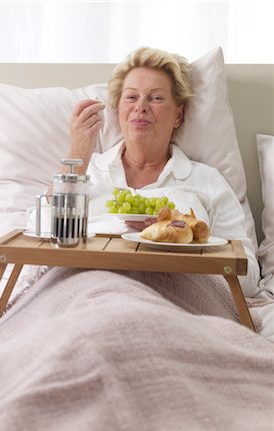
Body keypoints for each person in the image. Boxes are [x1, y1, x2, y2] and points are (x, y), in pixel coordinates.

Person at [55, 46, 260, 297]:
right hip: (87, 295)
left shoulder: (206, 180)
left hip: (174, 301)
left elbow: (248, 278)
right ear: (118, 110)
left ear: (178, 115)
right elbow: (40, 238)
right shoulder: (89, 170)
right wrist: (77, 152)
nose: (141, 107)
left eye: (156, 98)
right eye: (131, 97)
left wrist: (183, 239)